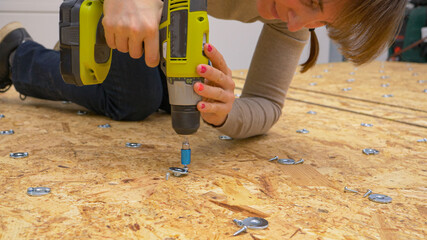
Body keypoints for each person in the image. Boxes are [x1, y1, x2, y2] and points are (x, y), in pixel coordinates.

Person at [0, 0, 406, 139]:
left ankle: (101, 54)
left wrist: (228, 112)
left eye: (324, 23)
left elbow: (266, 102)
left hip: (163, 12)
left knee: (170, 99)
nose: (299, 23)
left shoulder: (294, 19)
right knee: (135, 100)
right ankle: (16, 53)